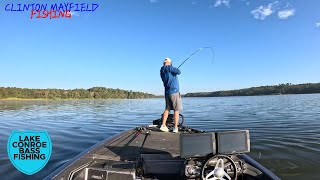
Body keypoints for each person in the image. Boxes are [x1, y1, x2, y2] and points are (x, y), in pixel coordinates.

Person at [160, 57, 182, 133]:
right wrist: (172, 67)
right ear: (170, 63)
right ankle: (175, 128)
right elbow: (179, 71)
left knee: (167, 109)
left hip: (167, 93)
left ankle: (163, 125)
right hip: (174, 92)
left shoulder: (162, 70)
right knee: (176, 110)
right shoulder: (170, 68)